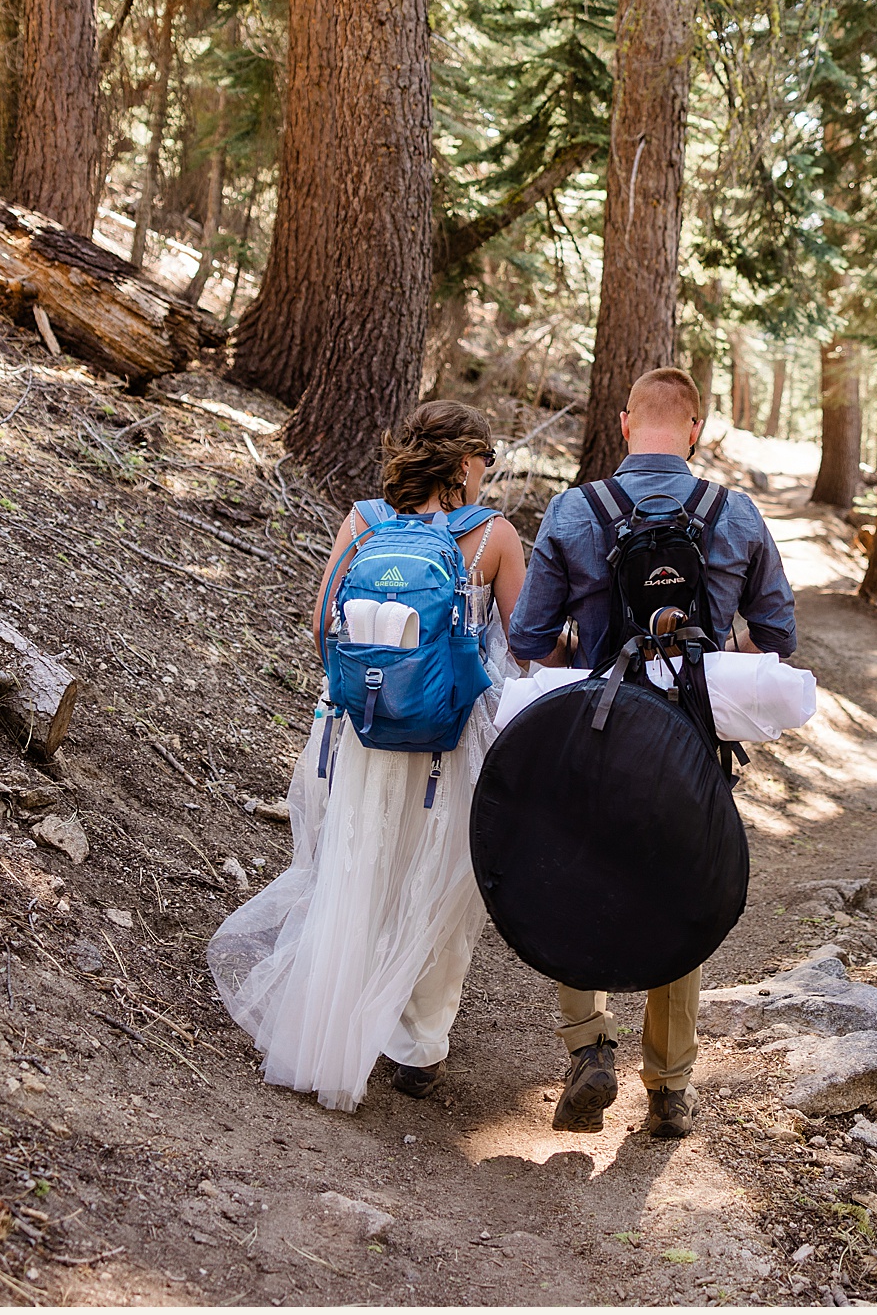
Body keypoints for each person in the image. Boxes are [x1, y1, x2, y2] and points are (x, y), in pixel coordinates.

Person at [207, 401, 527, 1110]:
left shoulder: (363, 522)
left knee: (358, 869)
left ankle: (333, 1030)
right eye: (487, 461)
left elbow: (325, 626)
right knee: (441, 882)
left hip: (368, 730)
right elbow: (528, 645)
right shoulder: (493, 537)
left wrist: (367, 688)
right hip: (447, 739)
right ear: (467, 463)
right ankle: (417, 1050)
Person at [505, 366, 797, 1139]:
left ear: (626, 425)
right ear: (695, 430)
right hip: (690, 741)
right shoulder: (734, 514)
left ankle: (587, 1050)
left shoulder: (575, 509)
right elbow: (780, 638)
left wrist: (589, 642)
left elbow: (529, 640)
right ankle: (669, 1085)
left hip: (596, 733)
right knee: (681, 892)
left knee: (575, 879)